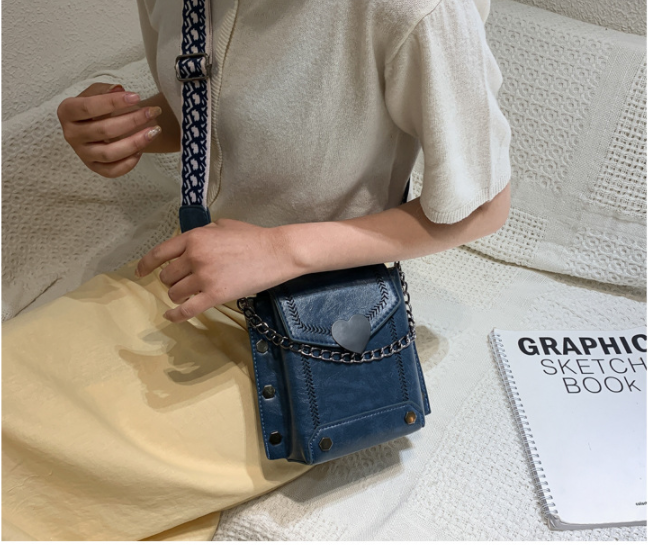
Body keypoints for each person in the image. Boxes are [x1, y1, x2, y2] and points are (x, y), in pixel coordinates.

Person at [2, 0, 512, 540]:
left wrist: (279, 250)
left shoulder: (417, 9)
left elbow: (480, 206)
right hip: (184, 281)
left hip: (313, 333)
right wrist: (126, 127)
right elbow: (211, 112)